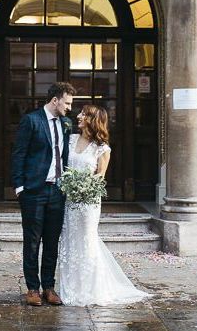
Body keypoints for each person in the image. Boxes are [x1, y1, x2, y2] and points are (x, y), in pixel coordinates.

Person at [58, 104, 151, 306]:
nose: (79, 116)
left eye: (84, 114)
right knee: (70, 241)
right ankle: (71, 289)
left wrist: (84, 188)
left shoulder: (102, 148)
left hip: (88, 202)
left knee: (87, 241)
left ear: (93, 120)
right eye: (81, 113)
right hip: (69, 200)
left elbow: (100, 177)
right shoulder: (71, 139)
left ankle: (91, 289)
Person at [11, 82, 75, 306]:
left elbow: (66, 155)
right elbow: (19, 154)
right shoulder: (32, 120)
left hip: (57, 190)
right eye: (66, 103)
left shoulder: (66, 123)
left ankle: (49, 287)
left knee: (51, 242)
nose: (69, 107)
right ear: (55, 100)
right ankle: (32, 289)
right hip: (34, 191)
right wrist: (20, 187)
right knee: (32, 242)